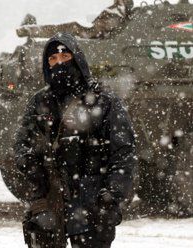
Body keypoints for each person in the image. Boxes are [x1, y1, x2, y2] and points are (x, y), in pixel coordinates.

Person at [14, 33, 136, 247]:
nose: (59, 64)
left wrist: (111, 197)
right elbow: (23, 147)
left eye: (64, 57)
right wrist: (38, 195)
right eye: (52, 59)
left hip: (92, 203)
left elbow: (123, 152)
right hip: (51, 203)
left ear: (76, 58)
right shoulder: (40, 102)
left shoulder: (103, 100)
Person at [16, 0, 134, 39]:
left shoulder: (119, 8)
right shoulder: (118, 7)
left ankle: (30, 30)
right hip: (98, 31)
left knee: (70, 28)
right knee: (69, 27)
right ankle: (30, 30)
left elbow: (109, 23)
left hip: (99, 33)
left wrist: (98, 20)